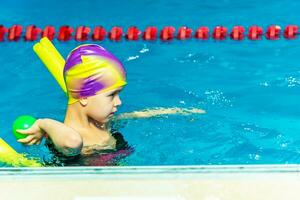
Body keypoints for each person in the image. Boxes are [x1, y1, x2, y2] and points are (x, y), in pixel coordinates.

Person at [16, 44, 205, 165]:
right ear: (83, 97)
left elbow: (133, 116)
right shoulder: (66, 135)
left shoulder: (102, 123)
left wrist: (175, 111)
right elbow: (72, 143)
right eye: (112, 95)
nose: (119, 102)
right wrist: (43, 123)